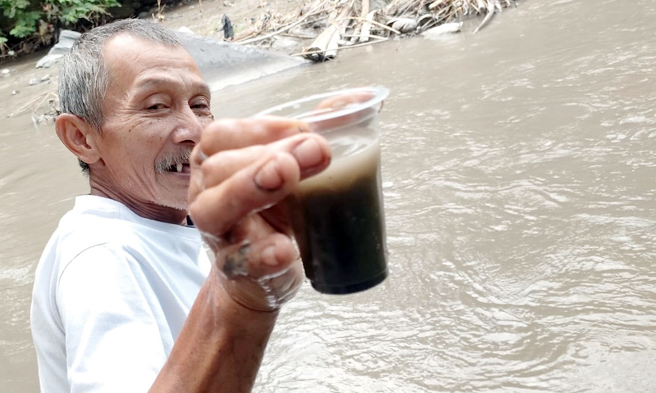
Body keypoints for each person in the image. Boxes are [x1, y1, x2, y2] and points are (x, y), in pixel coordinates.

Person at [30, 19, 332, 393]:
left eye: (200, 105)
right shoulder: (101, 256)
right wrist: (245, 301)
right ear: (82, 138)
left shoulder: (176, 224)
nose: (195, 130)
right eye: (156, 106)